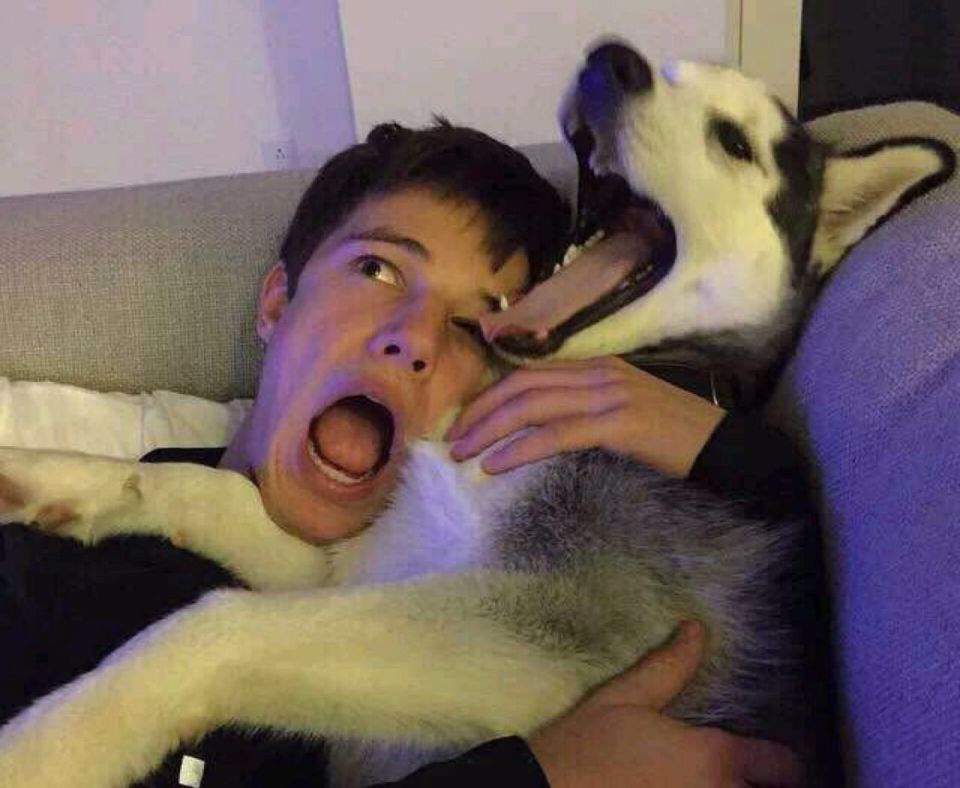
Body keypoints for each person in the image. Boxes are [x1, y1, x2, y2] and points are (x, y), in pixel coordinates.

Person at [0, 120, 814, 787]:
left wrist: (736, 455)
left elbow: (703, 622)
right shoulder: (39, 578)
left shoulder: (418, 522)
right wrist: (538, 776)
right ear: (277, 303)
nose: (416, 339)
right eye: (379, 269)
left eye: (475, 326)